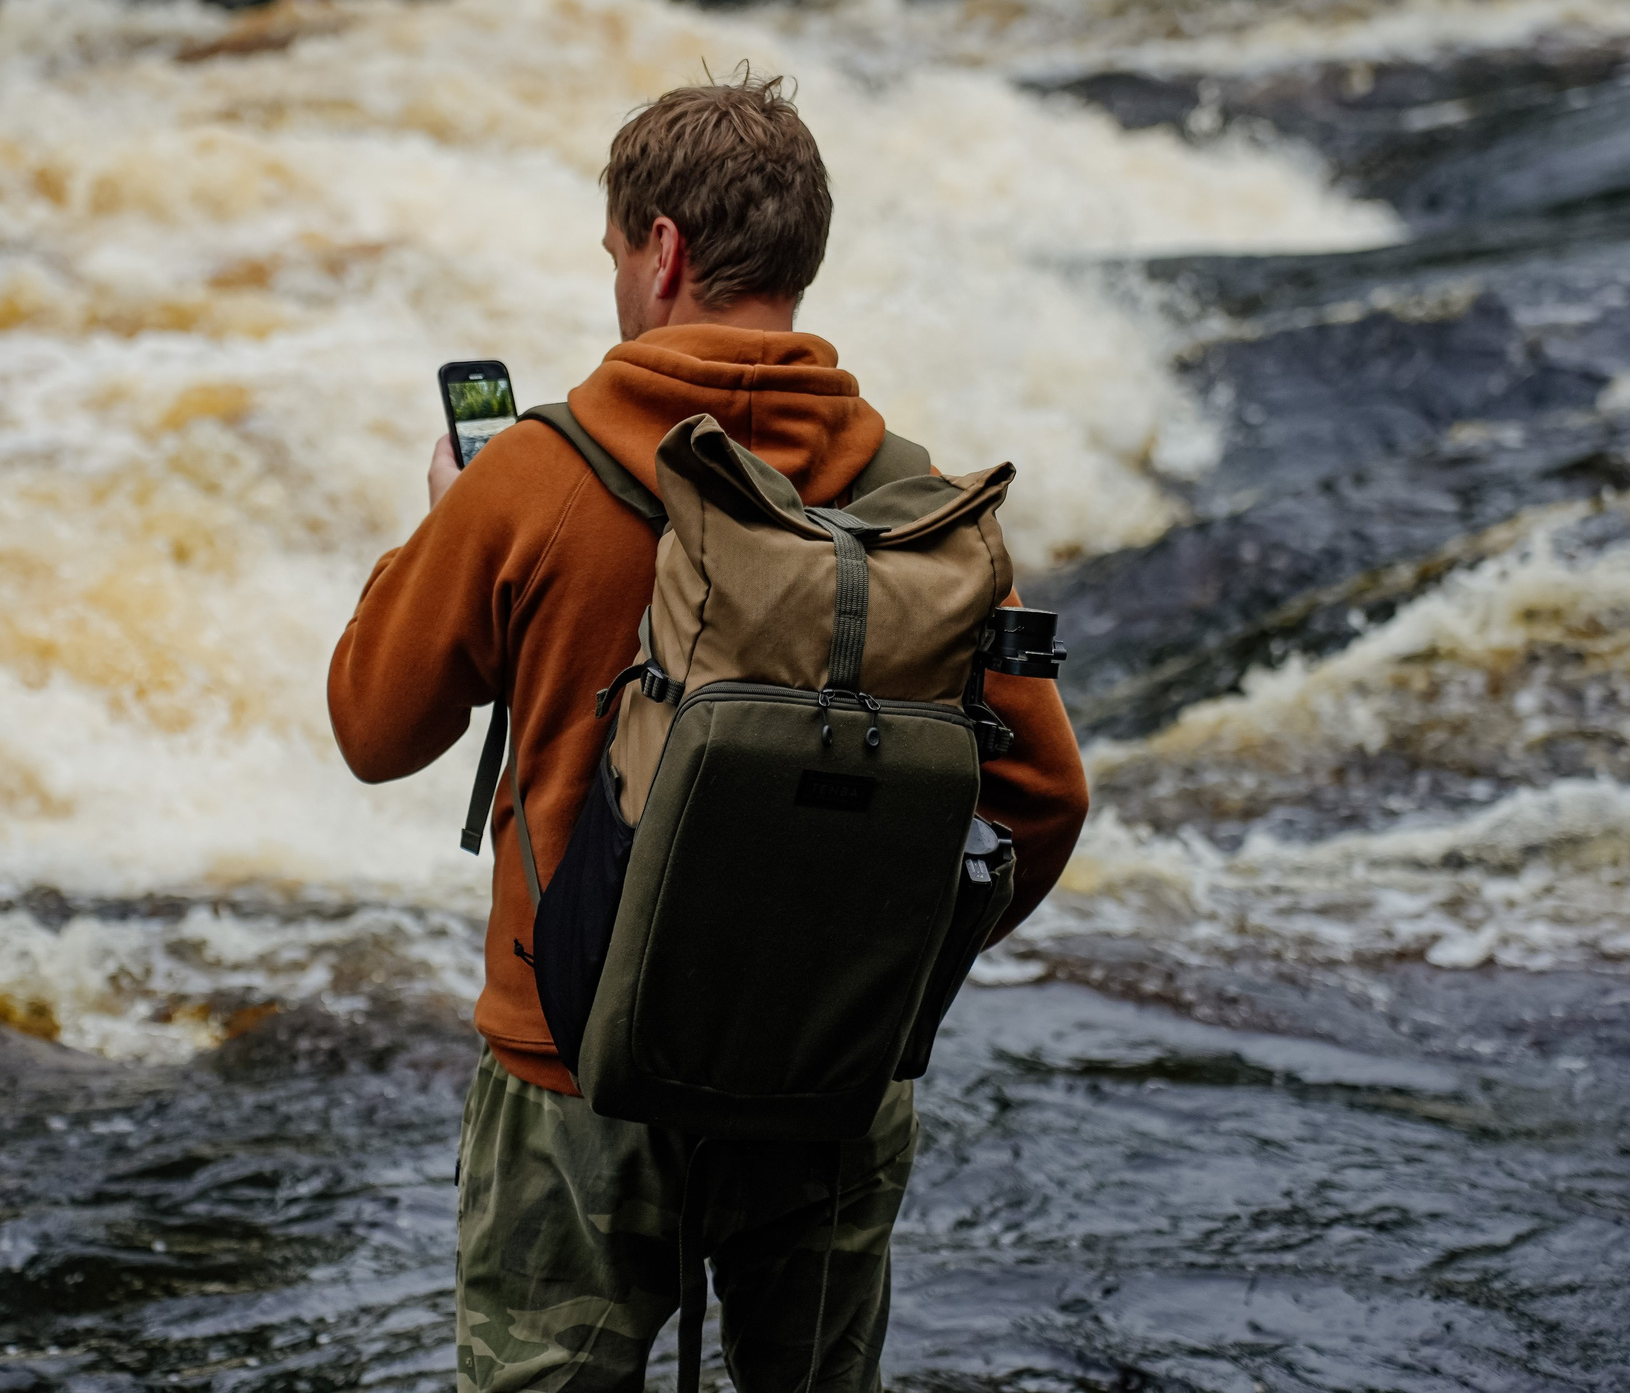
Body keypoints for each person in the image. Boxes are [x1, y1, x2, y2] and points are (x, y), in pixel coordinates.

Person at [327, 75, 1090, 1392]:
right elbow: (1044, 800)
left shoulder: (534, 479)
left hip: (572, 1067)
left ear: (663, 250)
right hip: (825, 1074)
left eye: (620, 251)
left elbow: (373, 727)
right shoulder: (914, 507)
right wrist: (862, 965)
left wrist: (442, 522)